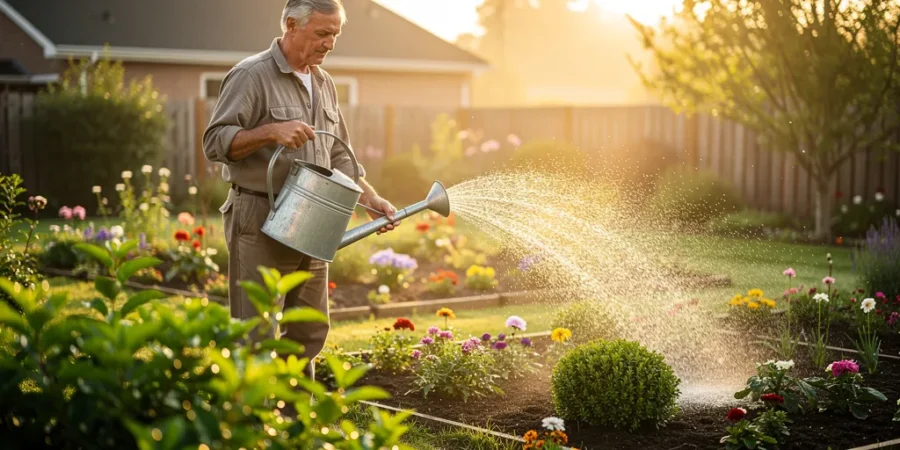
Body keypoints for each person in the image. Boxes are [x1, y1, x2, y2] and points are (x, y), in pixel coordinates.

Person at [202, 0, 400, 379]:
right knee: (255, 333)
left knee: (308, 331)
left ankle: (296, 425)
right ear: (292, 25)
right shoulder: (252, 75)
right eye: (322, 34)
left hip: (314, 218)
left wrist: (370, 198)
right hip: (259, 216)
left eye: (335, 35)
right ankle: (253, 429)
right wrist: (270, 131)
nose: (330, 44)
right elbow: (214, 142)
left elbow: (339, 154)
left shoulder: (324, 82)